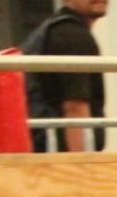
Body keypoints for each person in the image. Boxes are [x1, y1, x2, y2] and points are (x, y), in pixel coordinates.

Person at [22, 0, 108, 153]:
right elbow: (75, 108)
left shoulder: (50, 30)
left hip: (44, 149)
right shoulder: (73, 36)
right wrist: (82, 166)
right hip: (58, 154)